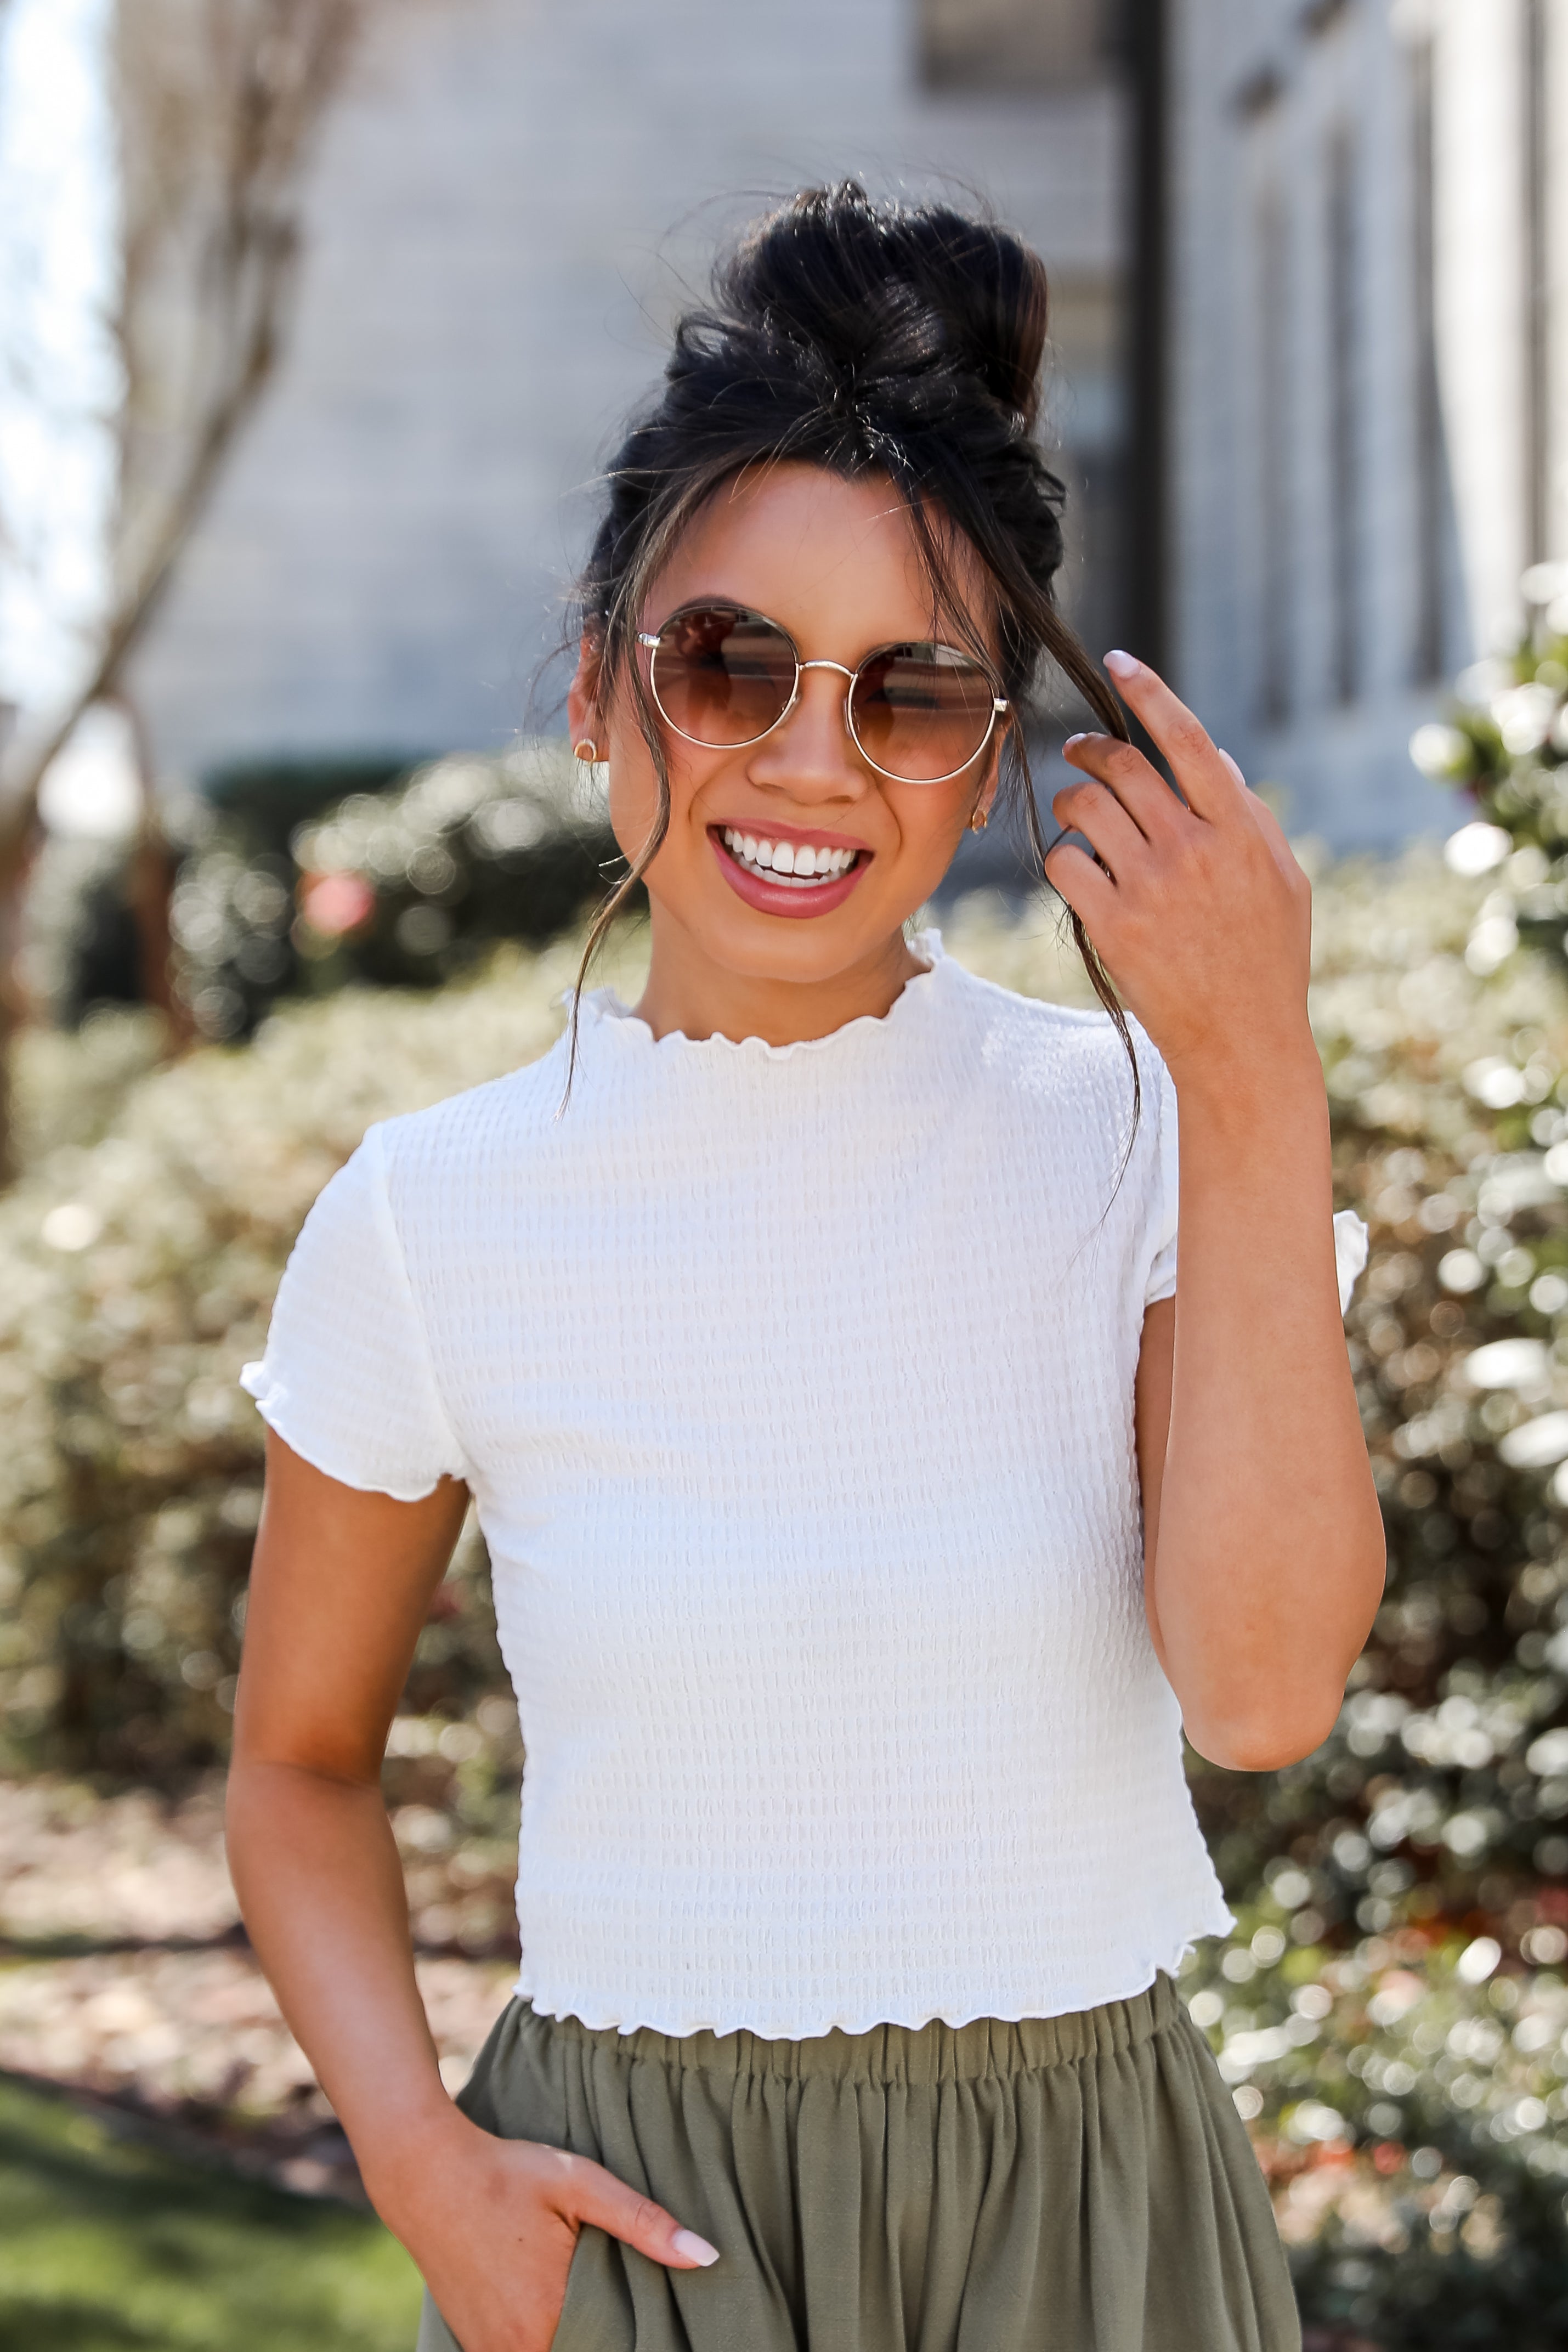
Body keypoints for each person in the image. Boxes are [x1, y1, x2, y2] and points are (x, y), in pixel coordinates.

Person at [225, 183, 1385, 2352]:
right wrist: (421, 2162)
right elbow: (297, 1764)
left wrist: (1252, 1074)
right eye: (727, 660)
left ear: (988, 771)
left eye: (911, 692)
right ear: (596, 687)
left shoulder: (1137, 1130)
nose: (808, 757)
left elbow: (1260, 1693)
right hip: (638, 2235)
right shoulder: (430, 1211)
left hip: (1086, 2215)